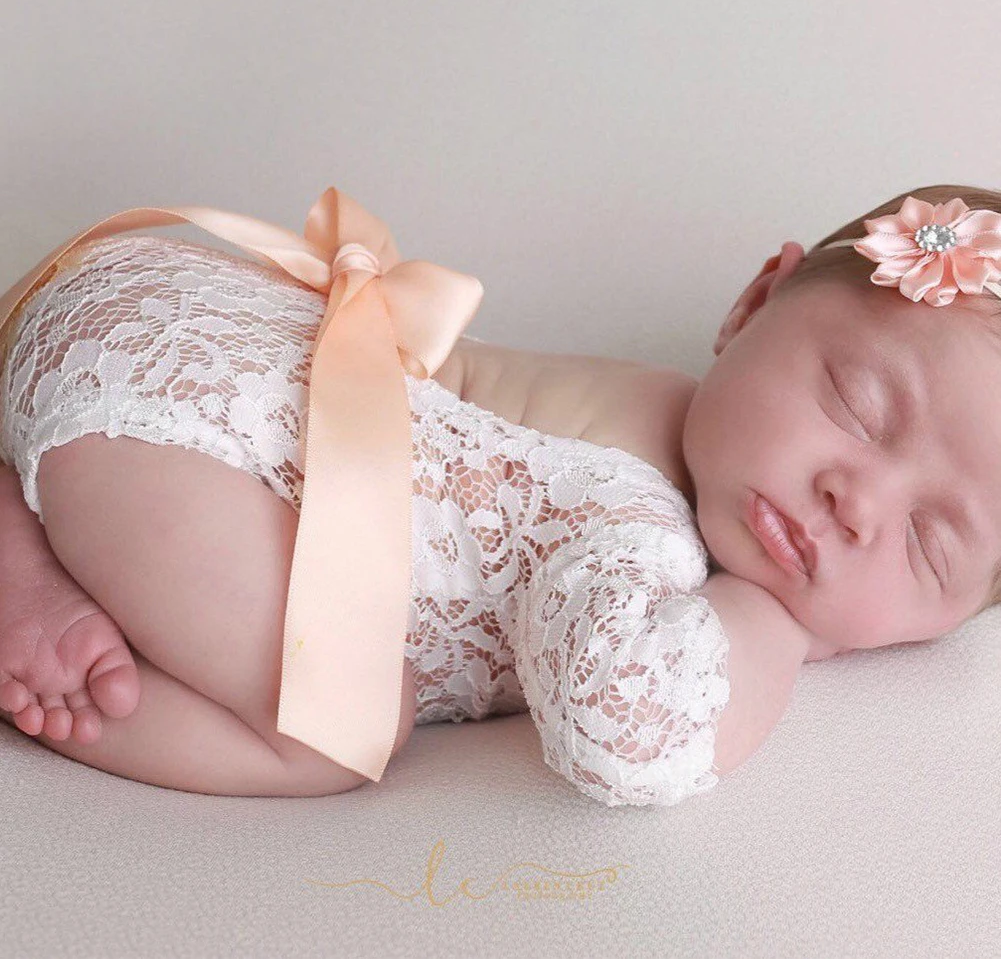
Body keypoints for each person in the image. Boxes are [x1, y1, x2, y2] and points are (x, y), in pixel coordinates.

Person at [1, 183, 998, 807]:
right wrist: (776, 630)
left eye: (930, 543)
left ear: (944, 624)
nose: (854, 501)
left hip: (159, 318)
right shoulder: (637, 523)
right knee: (335, 727)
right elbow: (622, 727)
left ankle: (33, 509)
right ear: (750, 305)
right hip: (178, 418)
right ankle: (25, 585)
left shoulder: (636, 394)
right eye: (854, 403)